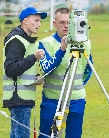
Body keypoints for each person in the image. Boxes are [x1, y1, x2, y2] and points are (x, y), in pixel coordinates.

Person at [38, 7, 93, 138]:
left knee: (74, 135)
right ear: (54, 24)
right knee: (46, 135)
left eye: (69, 22)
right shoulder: (45, 43)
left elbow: (88, 70)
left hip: (76, 98)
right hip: (52, 99)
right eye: (62, 22)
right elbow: (46, 68)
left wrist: (76, 85)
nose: (66, 26)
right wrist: (61, 50)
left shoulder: (85, 43)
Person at [2, 7, 47, 138]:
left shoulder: (26, 40)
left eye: (40, 21)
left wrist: (36, 78)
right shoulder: (16, 40)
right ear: (25, 21)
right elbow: (11, 69)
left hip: (23, 98)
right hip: (18, 99)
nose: (39, 24)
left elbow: (21, 70)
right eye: (36, 20)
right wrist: (34, 57)